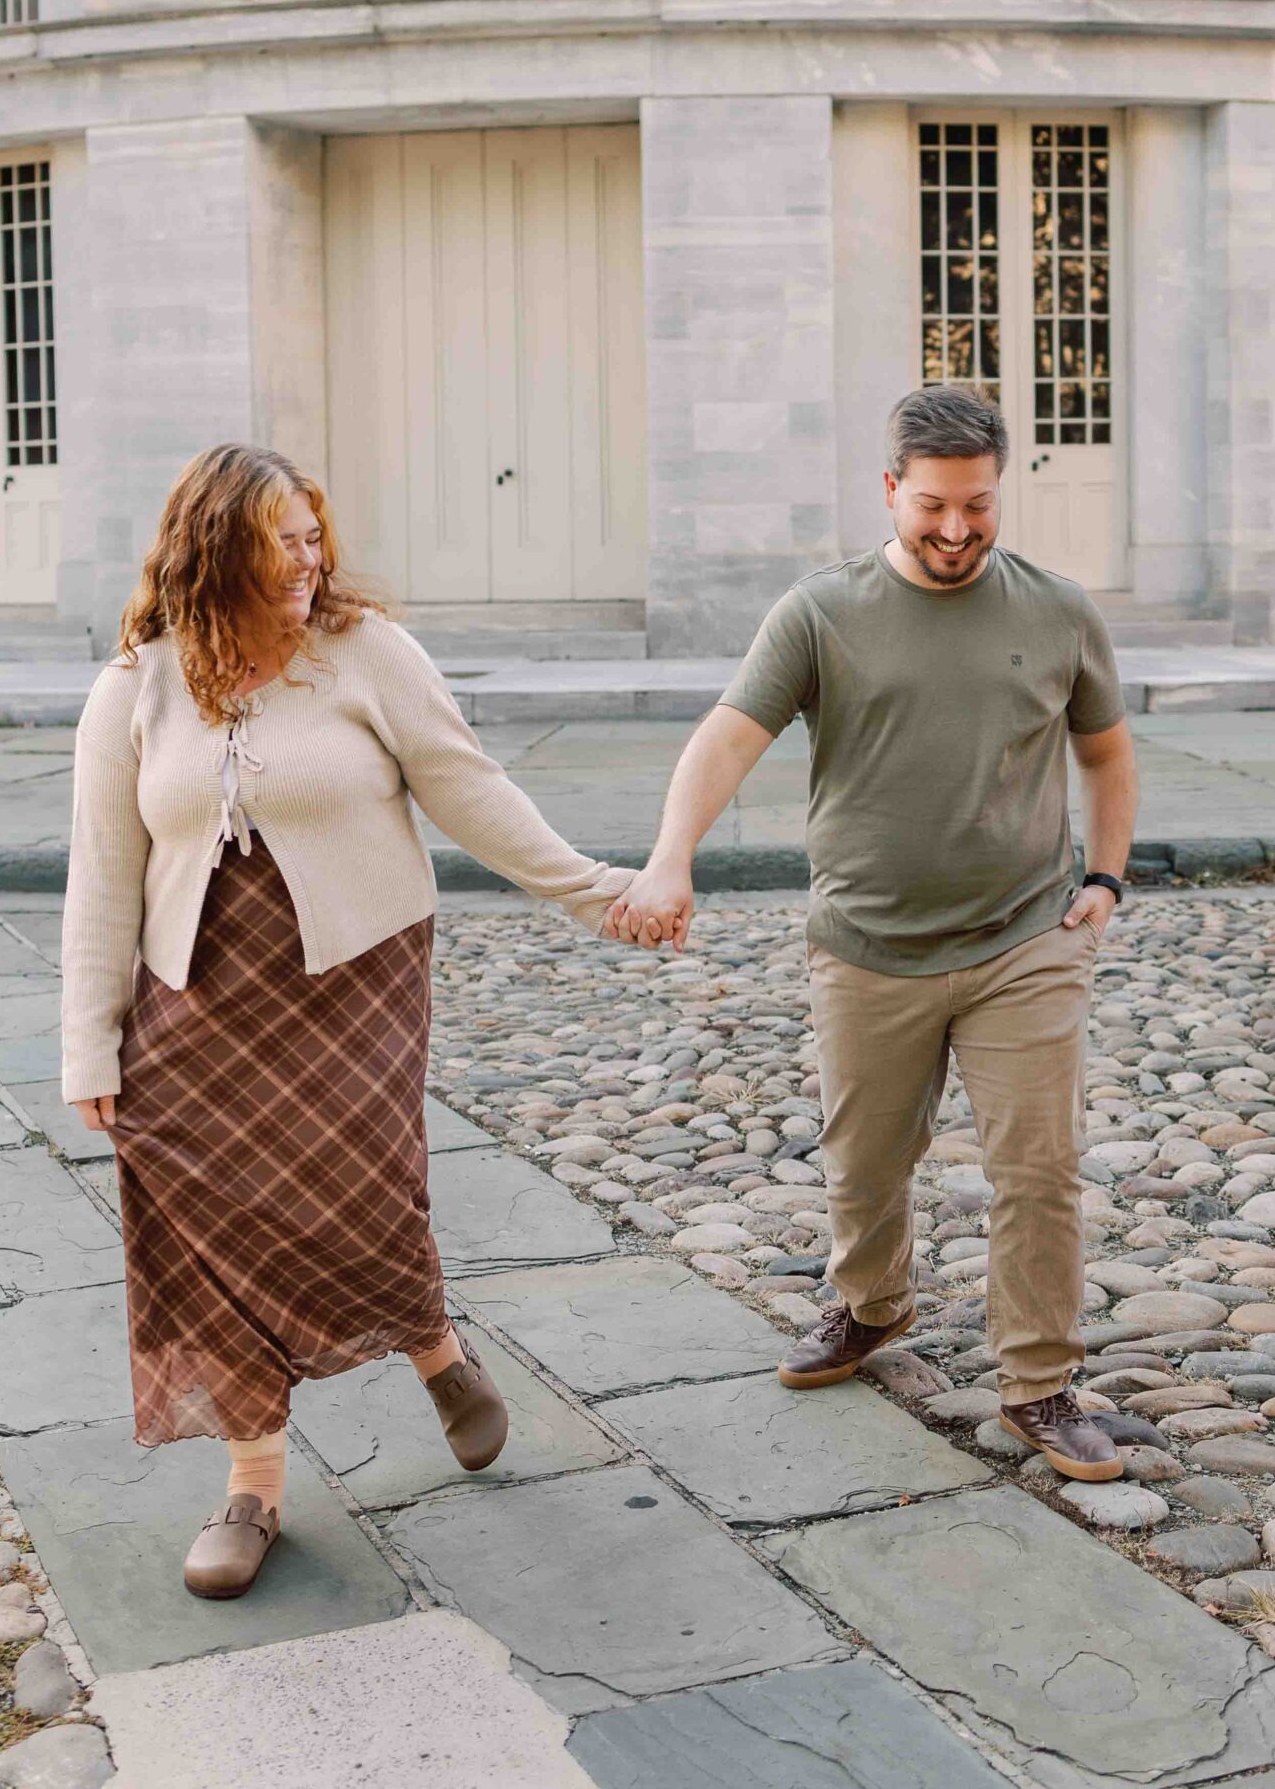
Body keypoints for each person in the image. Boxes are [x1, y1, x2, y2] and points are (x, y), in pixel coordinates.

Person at [60, 444, 632, 1600]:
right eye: (280, 539)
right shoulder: (139, 681)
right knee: (199, 1217)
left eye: (313, 534)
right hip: (195, 994)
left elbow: (470, 788)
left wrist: (597, 889)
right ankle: (253, 1486)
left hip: (354, 976)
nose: (307, 560)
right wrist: (89, 1036)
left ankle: (432, 1344)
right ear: (213, 548)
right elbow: (103, 870)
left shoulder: (368, 654)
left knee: (361, 1186)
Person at [607, 383, 1138, 1482]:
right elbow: (725, 738)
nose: (956, 531)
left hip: (1023, 939)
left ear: (1002, 491)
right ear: (891, 489)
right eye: (933, 506)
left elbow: (1106, 750)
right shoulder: (820, 612)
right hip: (865, 945)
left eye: (978, 507)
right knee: (864, 1161)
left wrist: (1105, 876)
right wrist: (670, 857)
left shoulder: (1059, 610)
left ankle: (1040, 1381)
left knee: (1038, 1166)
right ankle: (871, 1305)